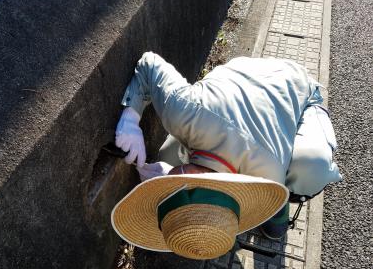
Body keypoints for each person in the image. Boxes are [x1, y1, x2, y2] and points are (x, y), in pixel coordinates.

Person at [115, 52, 342, 240]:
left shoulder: (268, 179)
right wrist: (131, 118)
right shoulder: (182, 111)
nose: (172, 180)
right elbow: (149, 65)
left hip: (296, 85)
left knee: (312, 168)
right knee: (166, 155)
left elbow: (149, 64)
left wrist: (131, 119)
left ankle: (279, 214)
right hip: (242, 73)